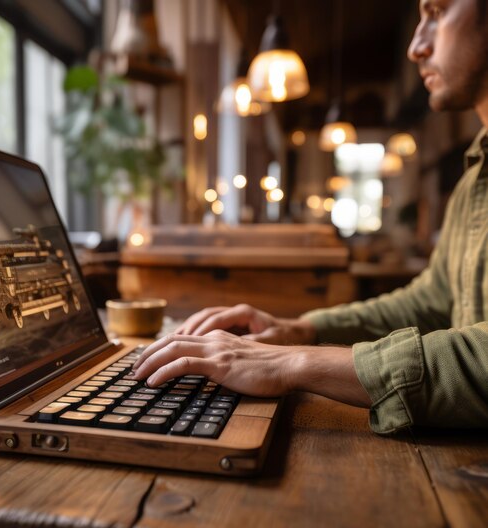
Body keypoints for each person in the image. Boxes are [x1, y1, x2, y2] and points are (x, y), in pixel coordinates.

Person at [133, 0, 488, 434]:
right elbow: (430, 302)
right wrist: (298, 329)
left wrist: (292, 362)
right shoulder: (474, 181)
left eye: (437, 12)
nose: (416, 45)